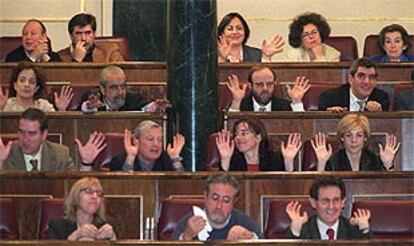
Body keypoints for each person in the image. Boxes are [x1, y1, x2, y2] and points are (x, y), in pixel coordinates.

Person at [0, 108, 106, 171]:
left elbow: (74, 191)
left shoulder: (60, 154)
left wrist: (86, 164)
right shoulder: (6, 154)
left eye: (32, 134)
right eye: (22, 132)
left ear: (44, 134)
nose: (25, 139)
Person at [172, 173, 262, 240]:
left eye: (226, 200)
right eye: (215, 198)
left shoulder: (244, 222)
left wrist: (250, 238)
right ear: (205, 197)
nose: (219, 206)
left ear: (234, 202)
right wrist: (186, 237)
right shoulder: (189, 223)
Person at [286, 176, 372, 239]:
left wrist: (365, 229)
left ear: (343, 202)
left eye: (336, 200)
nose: (331, 206)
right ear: (313, 202)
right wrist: (295, 231)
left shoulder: (354, 230)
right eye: (325, 201)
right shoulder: (302, 230)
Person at [310, 113, 400, 171]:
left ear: (365, 138)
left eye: (359, 135)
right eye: (348, 135)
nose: (354, 140)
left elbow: (385, 187)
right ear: (342, 137)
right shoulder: (333, 160)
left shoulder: (374, 160)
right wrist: (321, 163)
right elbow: (322, 189)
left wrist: (388, 165)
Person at [215, 117, 301, 171]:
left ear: (258, 137)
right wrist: (225, 160)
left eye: (244, 133)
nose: (238, 138)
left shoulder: (274, 159)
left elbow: (289, 186)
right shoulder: (233, 160)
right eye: (236, 134)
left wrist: (288, 161)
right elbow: (222, 185)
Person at [47, 177, 117, 241]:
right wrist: (75, 236)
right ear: (76, 196)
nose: (95, 196)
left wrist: (113, 238)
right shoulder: (58, 226)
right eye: (88, 191)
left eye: (99, 193)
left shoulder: (110, 224)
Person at [78, 65, 169, 112]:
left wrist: (155, 106)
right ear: (102, 89)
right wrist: (89, 107)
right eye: (114, 88)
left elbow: (143, 107)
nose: (120, 92)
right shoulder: (93, 97)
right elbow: (81, 110)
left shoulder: (133, 98)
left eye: (123, 86)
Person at [318, 57, 389, 112]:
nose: (367, 82)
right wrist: (331, 117)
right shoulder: (330, 98)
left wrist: (380, 114)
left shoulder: (381, 99)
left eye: (372, 77)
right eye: (361, 76)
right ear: (350, 79)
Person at [109, 120, 185, 171]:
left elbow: (181, 186)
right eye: (150, 139)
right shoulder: (119, 160)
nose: (156, 144)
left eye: (160, 139)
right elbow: (121, 187)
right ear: (136, 141)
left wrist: (175, 158)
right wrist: (130, 159)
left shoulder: (167, 160)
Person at [227, 66, 310, 112]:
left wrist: (297, 102)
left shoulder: (285, 107)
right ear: (250, 86)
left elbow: (301, 126)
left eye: (269, 84)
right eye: (259, 84)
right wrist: (236, 102)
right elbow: (231, 129)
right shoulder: (240, 106)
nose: (265, 88)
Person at [0, 62, 73, 112]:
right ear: (15, 85)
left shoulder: (44, 106)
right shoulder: (6, 105)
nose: (27, 85)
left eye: (32, 82)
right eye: (22, 80)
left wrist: (61, 110)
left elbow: (55, 128)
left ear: (36, 88)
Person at [272, 12, 340, 62]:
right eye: (305, 35)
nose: (311, 37)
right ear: (300, 39)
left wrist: (320, 56)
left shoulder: (333, 54)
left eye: (314, 32)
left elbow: (328, 76)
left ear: (321, 34)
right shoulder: (293, 54)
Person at [217, 12, 284, 63]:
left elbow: (265, 78)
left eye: (239, 28)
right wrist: (222, 59)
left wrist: (266, 57)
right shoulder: (213, 54)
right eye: (230, 29)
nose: (235, 32)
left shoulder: (256, 55)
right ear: (221, 33)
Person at [58, 13, 124, 62]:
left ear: (94, 34)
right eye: (78, 33)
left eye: (88, 33)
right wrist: (76, 60)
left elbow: (123, 74)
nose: (83, 38)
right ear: (71, 35)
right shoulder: (60, 57)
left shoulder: (109, 52)